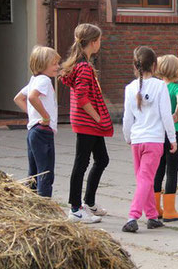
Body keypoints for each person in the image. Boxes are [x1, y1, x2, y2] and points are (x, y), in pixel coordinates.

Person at [61, 23, 113, 223]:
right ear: (93, 42)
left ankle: (89, 202)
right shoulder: (83, 68)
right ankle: (75, 209)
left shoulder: (82, 64)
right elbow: (82, 98)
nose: (100, 43)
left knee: (102, 159)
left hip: (88, 123)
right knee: (81, 163)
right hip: (87, 123)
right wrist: (98, 117)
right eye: (99, 40)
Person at [122, 46, 178, 233]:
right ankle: (133, 216)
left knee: (142, 180)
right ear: (154, 65)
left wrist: (127, 136)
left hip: (136, 140)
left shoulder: (129, 88)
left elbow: (127, 118)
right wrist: (172, 138)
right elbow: (166, 115)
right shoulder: (160, 86)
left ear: (134, 65)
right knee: (146, 179)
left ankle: (152, 216)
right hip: (154, 140)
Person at [13, 46, 61, 198]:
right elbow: (33, 97)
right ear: (42, 64)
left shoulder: (34, 80)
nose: (57, 67)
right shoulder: (44, 80)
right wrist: (45, 116)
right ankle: (44, 202)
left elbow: (18, 98)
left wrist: (33, 115)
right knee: (45, 172)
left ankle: (32, 201)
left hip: (33, 130)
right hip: (43, 131)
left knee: (33, 171)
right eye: (54, 64)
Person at [153, 54, 178, 222]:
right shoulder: (177, 89)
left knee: (158, 170)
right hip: (174, 133)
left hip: (158, 134)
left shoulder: (157, 87)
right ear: (177, 72)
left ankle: (155, 208)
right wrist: (177, 114)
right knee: (171, 171)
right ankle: (170, 210)